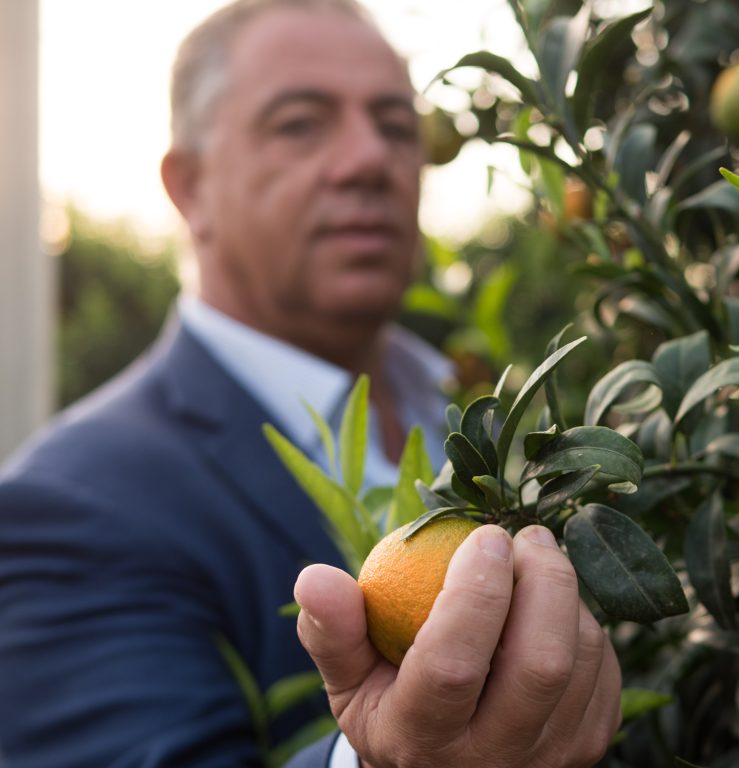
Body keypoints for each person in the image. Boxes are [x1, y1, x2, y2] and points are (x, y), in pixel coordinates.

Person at [0, 1, 622, 766]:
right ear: (189, 187)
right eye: (300, 123)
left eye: (397, 126)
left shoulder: (486, 411)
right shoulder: (71, 505)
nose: (370, 159)